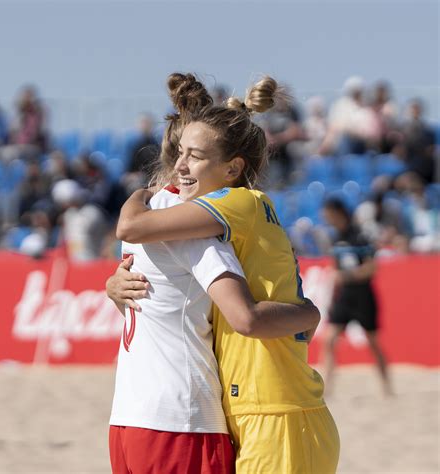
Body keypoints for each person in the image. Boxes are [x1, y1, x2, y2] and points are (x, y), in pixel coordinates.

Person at [112, 73, 340, 473]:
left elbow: (245, 318)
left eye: (195, 156)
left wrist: (311, 313)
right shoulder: (220, 217)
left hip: (275, 409)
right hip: (249, 410)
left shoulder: (236, 205)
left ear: (233, 168)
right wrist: (115, 285)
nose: (183, 166)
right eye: (182, 153)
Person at [321, 197, 392, 396]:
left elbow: (372, 268)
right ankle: (327, 388)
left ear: (338, 213)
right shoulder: (335, 238)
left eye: (328, 214)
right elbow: (335, 269)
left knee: (373, 342)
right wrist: (333, 294)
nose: (325, 218)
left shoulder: (360, 235)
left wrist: (346, 275)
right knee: (329, 340)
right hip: (344, 296)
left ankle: (387, 386)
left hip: (363, 295)